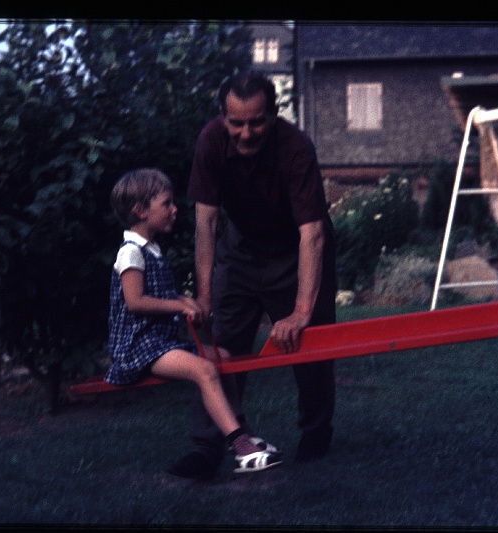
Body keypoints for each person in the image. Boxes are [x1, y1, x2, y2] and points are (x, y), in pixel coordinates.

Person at [168, 71, 337, 480]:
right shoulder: (211, 141)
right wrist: (204, 297)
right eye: (236, 123)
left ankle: (315, 436)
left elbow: (311, 234)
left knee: (310, 347)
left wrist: (299, 312)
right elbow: (205, 225)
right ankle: (208, 447)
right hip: (241, 253)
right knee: (219, 349)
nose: (246, 133)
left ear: (274, 114)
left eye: (257, 121)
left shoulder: (295, 147)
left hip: (296, 254)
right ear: (223, 117)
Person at [106, 168, 283, 475]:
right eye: (167, 204)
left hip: (160, 342)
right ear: (141, 210)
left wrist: (187, 303)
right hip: (138, 347)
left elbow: (159, 295)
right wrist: (177, 303)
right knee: (203, 369)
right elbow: (135, 302)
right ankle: (241, 448)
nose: (174, 210)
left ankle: (241, 430)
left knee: (223, 357)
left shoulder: (152, 250)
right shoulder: (131, 253)